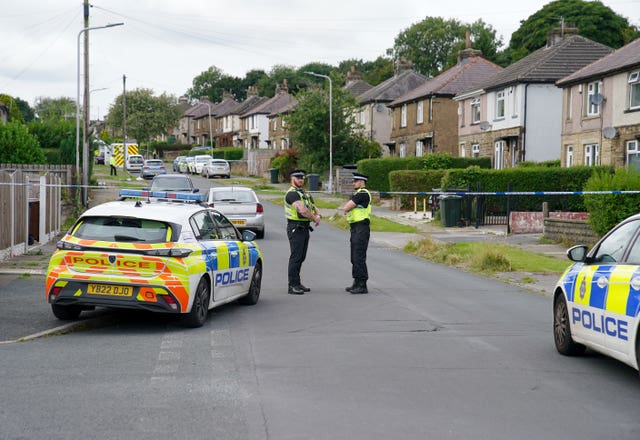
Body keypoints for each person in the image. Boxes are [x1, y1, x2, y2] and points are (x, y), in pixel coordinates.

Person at [284, 169, 321, 295]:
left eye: (302, 178)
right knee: (296, 257)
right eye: (298, 177)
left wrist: (318, 214)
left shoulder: (303, 193)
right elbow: (303, 211)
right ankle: (292, 285)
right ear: (292, 179)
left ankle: (297, 282)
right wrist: (314, 218)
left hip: (304, 228)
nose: (301, 180)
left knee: (301, 256)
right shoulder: (292, 194)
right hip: (295, 227)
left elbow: (312, 206)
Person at [342, 173, 371, 294]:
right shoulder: (357, 194)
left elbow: (346, 207)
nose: (353, 183)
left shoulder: (362, 193)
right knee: (354, 257)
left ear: (361, 182)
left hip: (361, 227)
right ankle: (356, 281)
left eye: (355, 181)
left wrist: (347, 207)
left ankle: (362, 284)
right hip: (355, 228)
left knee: (359, 256)